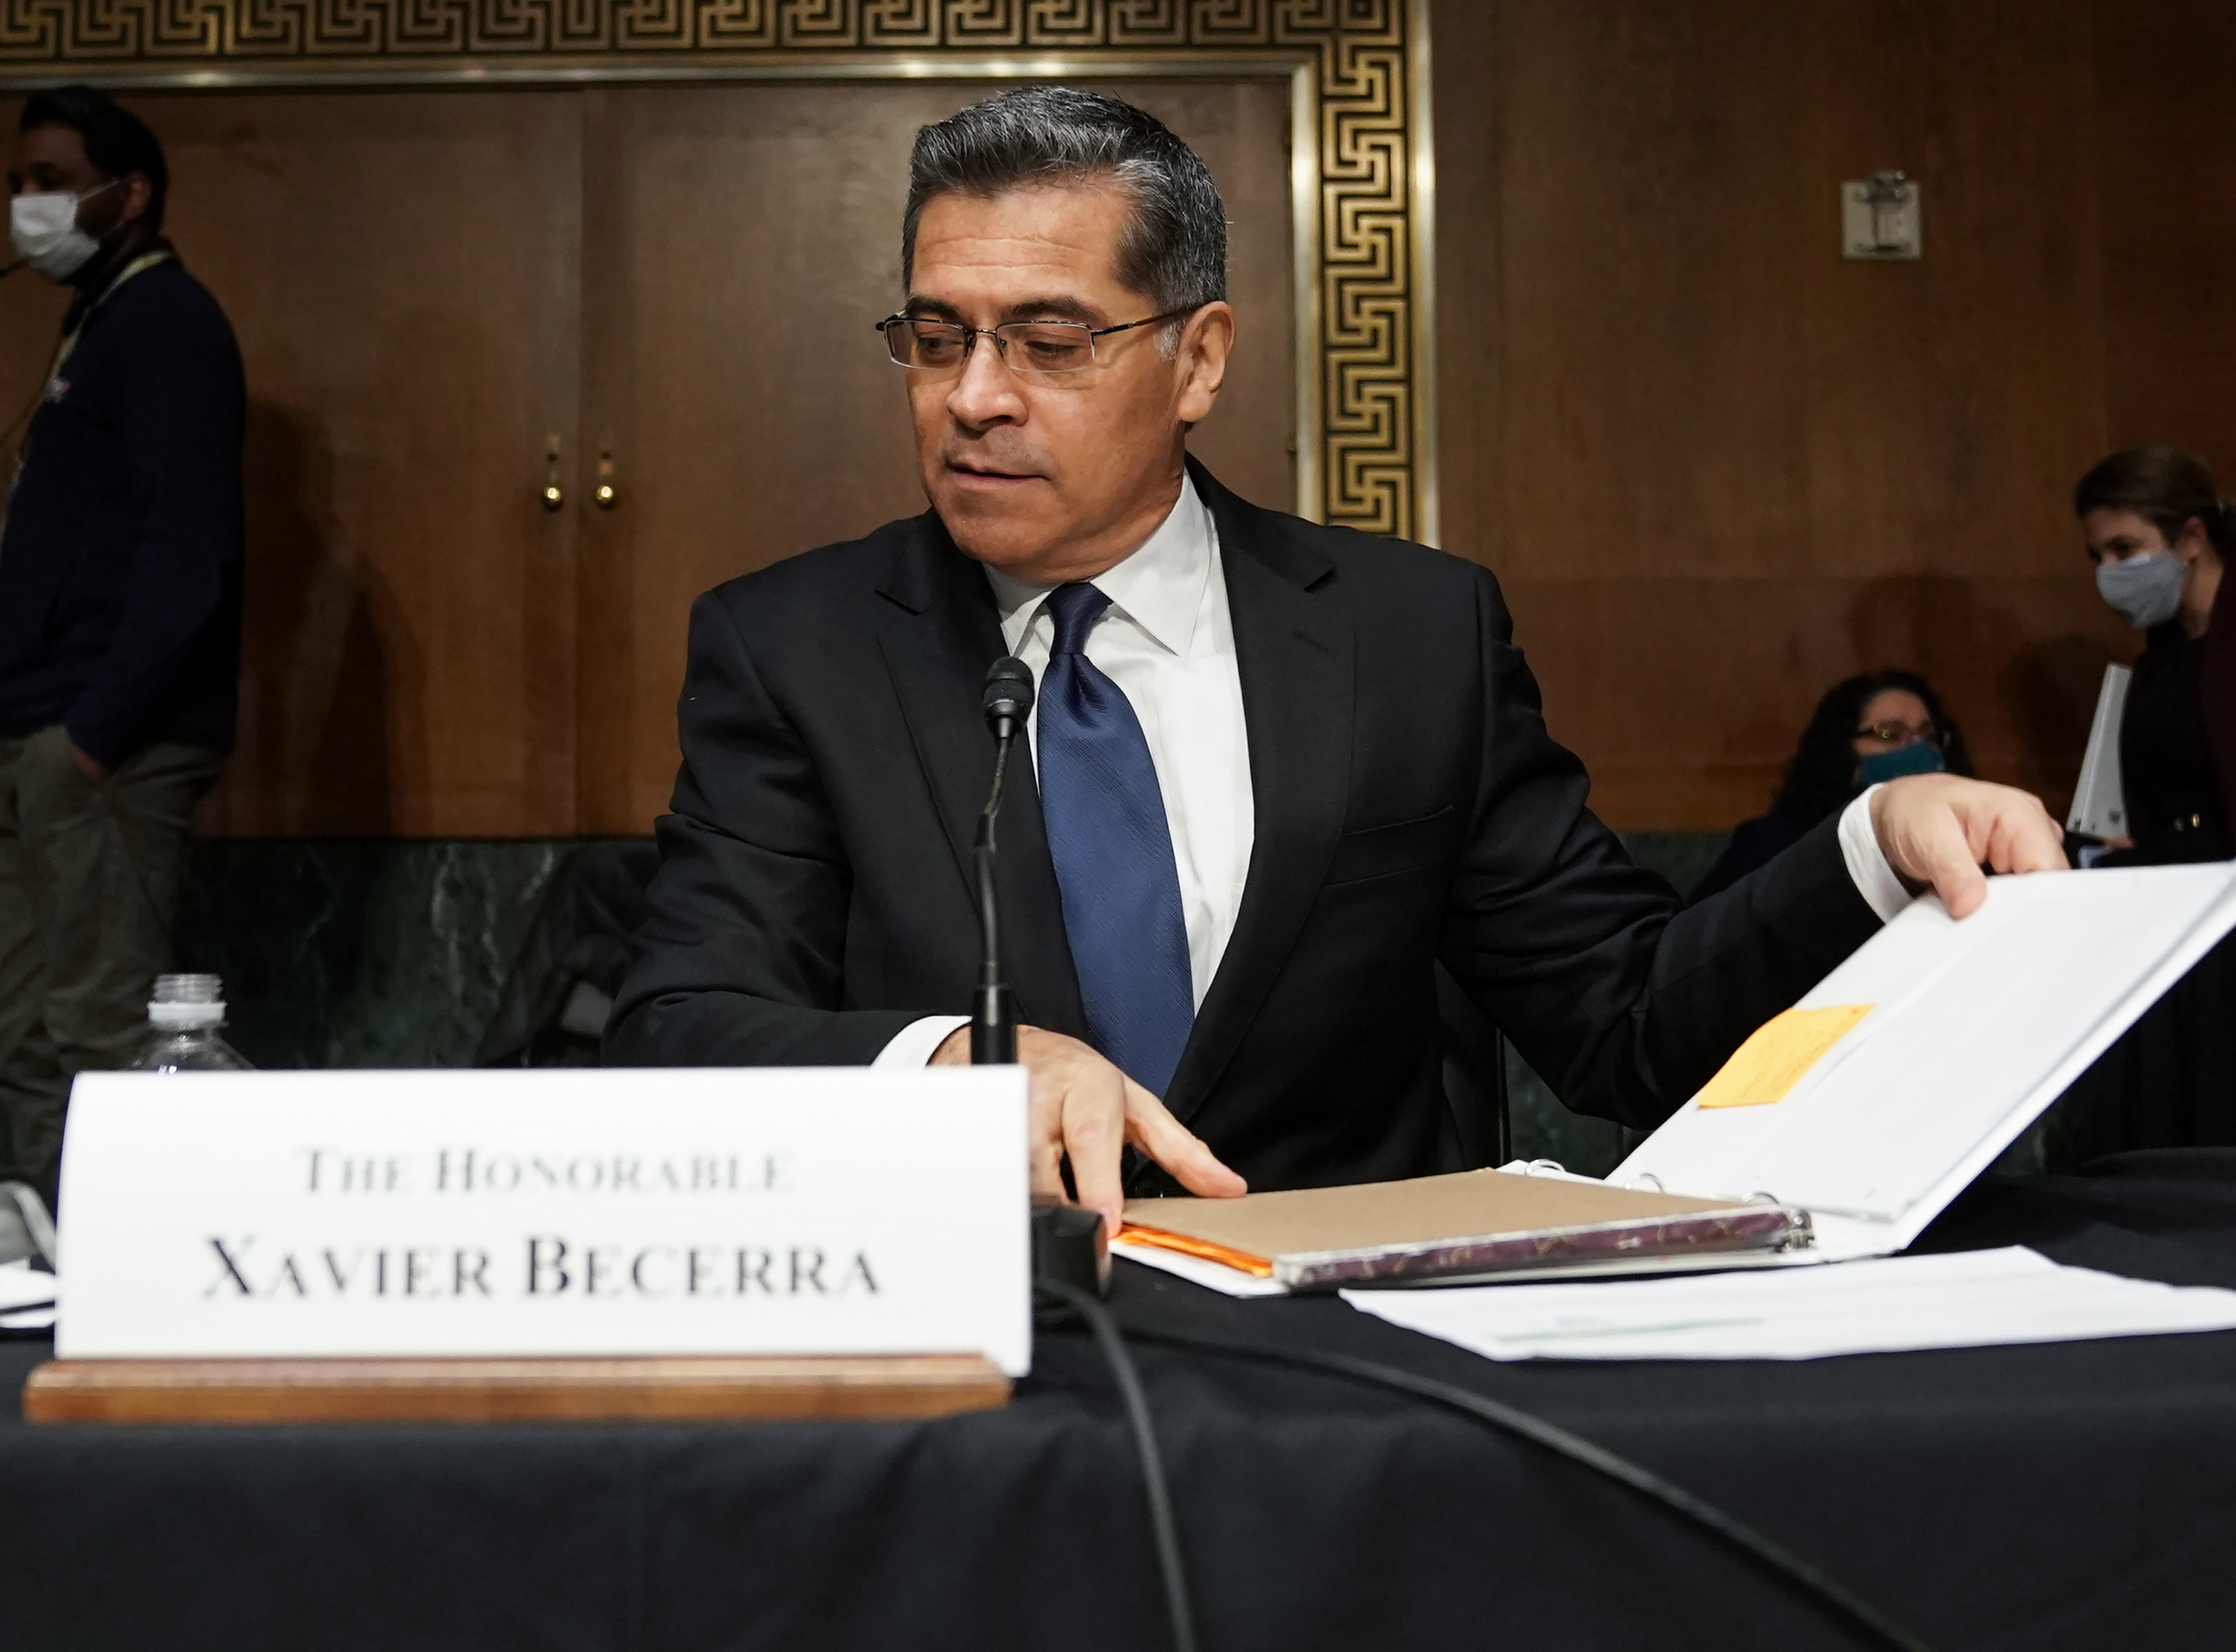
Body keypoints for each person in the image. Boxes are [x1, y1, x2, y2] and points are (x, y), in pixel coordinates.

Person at [609, 86, 2064, 1225]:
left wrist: (1867, 843)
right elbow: (680, 1030)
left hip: (1349, 1385)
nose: (971, 398)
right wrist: (953, 1065)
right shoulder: (793, 645)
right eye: (934, 339)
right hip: (986, 1361)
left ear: (1198, 359)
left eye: (1047, 342)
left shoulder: (1405, 635)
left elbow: (1622, 1017)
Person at [0, 87, 245, 1205]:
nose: (27, 206)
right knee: (26, 1029)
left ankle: (108, 1285)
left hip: (101, 746)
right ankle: (40, 1276)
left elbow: (185, 553)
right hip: (45, 730)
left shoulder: (169, 323)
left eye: (50, 182)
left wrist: (91, 737)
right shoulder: (103, 320)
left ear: (129, 194)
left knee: (95, 1029)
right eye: (18, 185)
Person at [2063, 446, 2236, 1152]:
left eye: (2127, 548)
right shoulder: (2163, 650)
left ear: (2190, 537)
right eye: (2099, 554)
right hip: (2185, 921)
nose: (2110, 572)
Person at [1690, 670, 1974, 901]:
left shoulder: (1973, 844)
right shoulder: (1776, 846)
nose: (1916, 748)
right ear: (1839, 751)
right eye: (1889, 733)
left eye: (1928, 736)